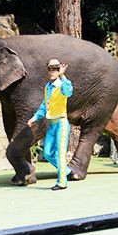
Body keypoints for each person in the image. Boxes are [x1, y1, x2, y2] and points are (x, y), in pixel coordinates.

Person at [27, 58, 73, 190]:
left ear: (59, 71)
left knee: (60, 153)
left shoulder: (63, 84)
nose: (52, 72)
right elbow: (44, 105)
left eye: (55, 69)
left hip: (61, 123)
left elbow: (69, 92)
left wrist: (63, 76)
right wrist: (35, 117)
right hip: (51, 124)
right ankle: (68, 171)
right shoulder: (48, 87)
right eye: (50, 69)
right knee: (47, 153)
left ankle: (62, 182)